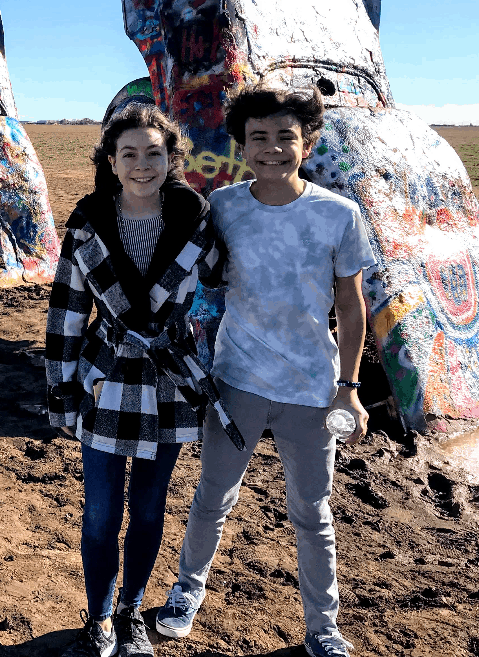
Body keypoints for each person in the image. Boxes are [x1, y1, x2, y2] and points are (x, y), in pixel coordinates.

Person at [154, 86, 377, 657]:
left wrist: (348, 391)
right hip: (236, 382)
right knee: (212, 497)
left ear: (308, 144)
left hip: (311, 389)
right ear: (241, 145)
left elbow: (351, 307)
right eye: (259, 138)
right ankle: (186, 590)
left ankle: (323, 627)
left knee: (312, 512)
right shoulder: (224, 207)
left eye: (286, 138)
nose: (272, 149)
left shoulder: (338, 215)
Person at [45, 102, 244, 657]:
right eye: (128, 153)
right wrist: (61, 391)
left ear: (171, 158)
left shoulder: (195, 218)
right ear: (110, 161)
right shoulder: (87, 223)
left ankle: (132, 612)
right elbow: (66, 313)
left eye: (153, 153)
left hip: (168, 383)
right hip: (105, 381)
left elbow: (224, 280)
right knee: (102, 512)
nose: (141, 165)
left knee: (151, 509)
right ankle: (99, 617)